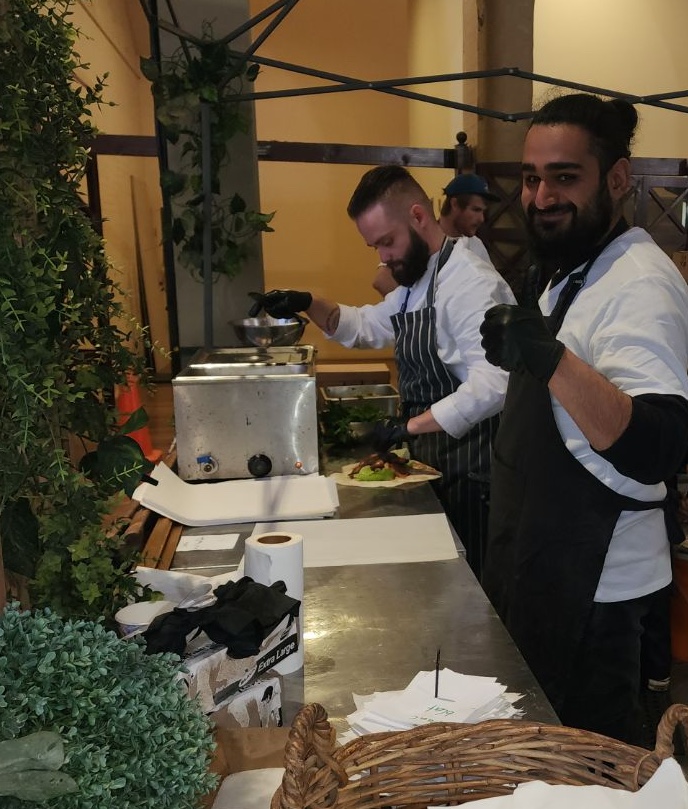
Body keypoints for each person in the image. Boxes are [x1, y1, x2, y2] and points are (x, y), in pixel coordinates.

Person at [478, 92, 688, 745]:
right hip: (543, 571)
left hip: (595, 595)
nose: (541, 197)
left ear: (619, 179)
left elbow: (658, 445)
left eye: (564, 177)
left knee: (589, 770)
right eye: (532, 178)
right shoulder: (572, 269)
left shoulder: (640, 282)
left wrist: (547, 355)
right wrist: (522, 351)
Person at [250, 165, 516, 577]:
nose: (383, 257)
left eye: (387, 242)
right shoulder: (418, 281)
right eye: (375, 246)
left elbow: (496, 382)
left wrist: (409, 427)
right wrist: (308, 301)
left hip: (475, 474)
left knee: (473, 588)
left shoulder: (470, 283)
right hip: (438, 464)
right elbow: (365, 327)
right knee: (440, 581)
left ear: (417, 216)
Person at [371, 173, 500, 298]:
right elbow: (382, 281)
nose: (481, 219)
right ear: (454, 204)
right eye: (476, 210)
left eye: (483, 211)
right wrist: (419, 313)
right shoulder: (420, 241)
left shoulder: (476, 245)